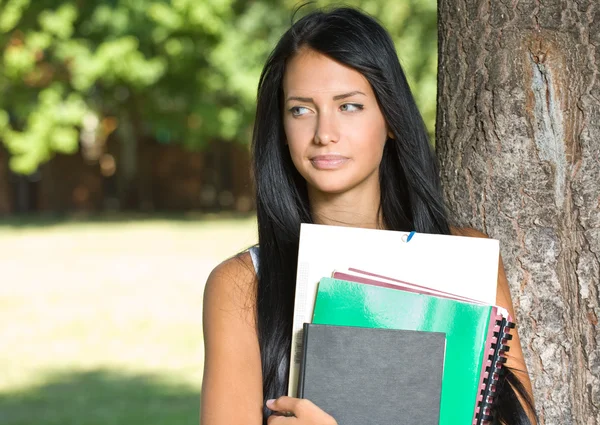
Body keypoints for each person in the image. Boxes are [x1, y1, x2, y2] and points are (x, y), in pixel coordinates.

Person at [201, 6, 536, 425]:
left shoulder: (470, 258)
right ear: (282, 129)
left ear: (391, 119)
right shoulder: (241, 285)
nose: (325, 133)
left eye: (350, 106)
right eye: (301, 109)